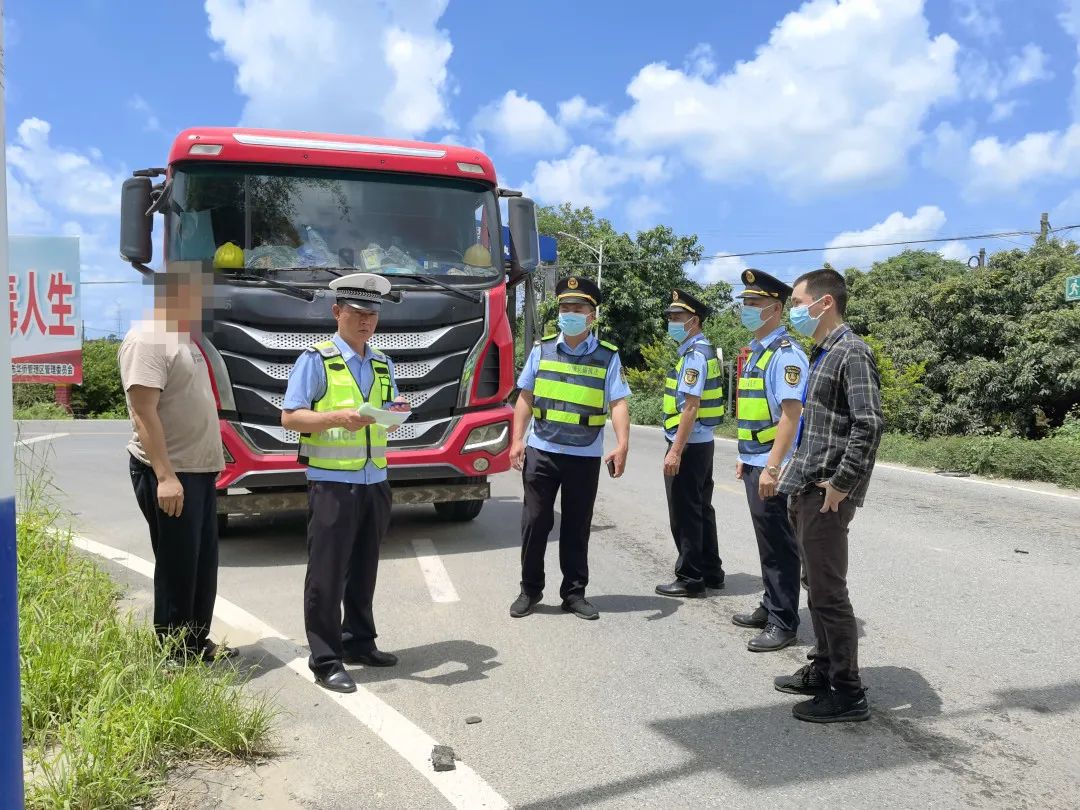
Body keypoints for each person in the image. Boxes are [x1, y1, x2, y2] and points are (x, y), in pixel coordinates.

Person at [281, 273, 412, 694]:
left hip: (375, 478)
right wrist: (339, 418)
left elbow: (388, 406)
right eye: (357, 314)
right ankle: (325, 658)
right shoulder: (315, 360)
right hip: (332, 482)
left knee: (364, 568)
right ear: (337, 312)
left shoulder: (382, 362)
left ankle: (359, 642)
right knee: (327, 573)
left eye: (372, 315)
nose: (366, 322)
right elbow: (291, 416)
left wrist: (395, 413)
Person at [774, 268, 883, 723]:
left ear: (824, 303)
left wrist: (841, 485)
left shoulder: (852, 352)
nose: (793, 310)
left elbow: (869, 424)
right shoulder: (822, 353)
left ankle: (848, 691)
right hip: (807, 487)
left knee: (829, 592)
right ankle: (822, 667)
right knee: (813, 587)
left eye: (798, 302)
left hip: (827, 494)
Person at [120, 266, 235, 662]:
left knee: (202, 566)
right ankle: (173, 656)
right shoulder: (148, 340)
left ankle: (195, 643)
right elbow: (143, 412)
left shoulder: (183, 340)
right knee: (177, 566)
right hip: (170, 472)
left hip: (197, 473)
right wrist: (165, 476)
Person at [509, 276, 631, 620]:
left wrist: (623, 445)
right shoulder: (541, 350)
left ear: (592, 316)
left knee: (577, 526)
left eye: (577, 309)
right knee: (534, 523)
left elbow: (618, 402)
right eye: (564, 308)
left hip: (584, 454)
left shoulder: (608, 357)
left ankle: (574, 594)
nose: (569, 314)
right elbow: (525, 397)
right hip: (542, 450)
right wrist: (517, 440)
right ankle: (529, 590)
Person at [731, 269, 808, 652]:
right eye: (744, 302)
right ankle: (770, 603)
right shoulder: (757, 351)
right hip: (756, 459)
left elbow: (791, 416)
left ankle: (783, 620)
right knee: (767, 542)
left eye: (754, 303)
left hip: (774, 465)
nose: (746, 308)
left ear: (775, 309)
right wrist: (748, 458)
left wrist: (773, 466)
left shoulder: (786, 355)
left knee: (779, 545)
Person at [655, 289, 726, 598]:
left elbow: (690, 407)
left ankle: (690, 577)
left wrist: (675, 450)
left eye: (677, 317)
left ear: (694, 321)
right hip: (702, 443)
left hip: (689, 445)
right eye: (670, 317)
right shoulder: (700, 350)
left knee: (684, 513)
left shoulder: (695, 355)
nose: (671, 322)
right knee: (700, 509)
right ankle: (711, 571)